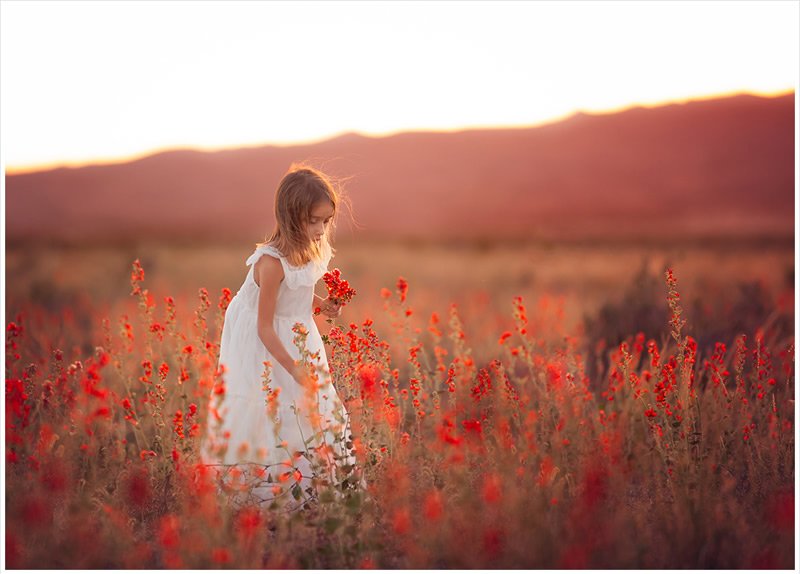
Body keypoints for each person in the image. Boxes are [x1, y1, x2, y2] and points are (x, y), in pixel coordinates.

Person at [201, 164, 353, 509]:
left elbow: (295, 296)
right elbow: (265, 325)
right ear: (290, 216)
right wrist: (294, 367)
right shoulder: (270, 264)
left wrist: (324, 305)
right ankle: (264, 495)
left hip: (295, 330)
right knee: (268, 405)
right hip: (262, 338)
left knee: (308, 407)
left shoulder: (312, 250)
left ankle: (311, 489)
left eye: (326, 221)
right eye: (313, 221)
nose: (320, 229)